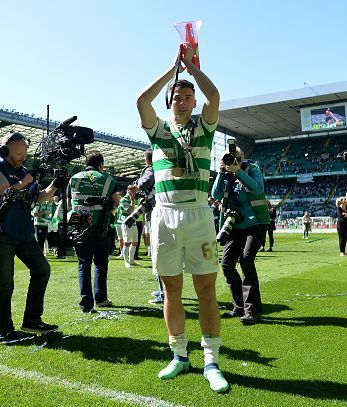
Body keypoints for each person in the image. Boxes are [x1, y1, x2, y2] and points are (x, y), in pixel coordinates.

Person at [136, 44, 228, 392]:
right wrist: (171, 69)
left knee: (206, 289)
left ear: (193, 102)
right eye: (178, 95)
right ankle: (178, 354)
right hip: (165, 216)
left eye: (189, 96)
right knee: (171, 289)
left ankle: (211, 360)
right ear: (170, 101)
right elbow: (141, 102)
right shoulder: (158, 131)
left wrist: (192, 69)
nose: (184, 100)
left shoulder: (204, 129)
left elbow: (214, 95)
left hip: (199, 215)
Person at [0, 132, 62, 339]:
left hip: (24, 232)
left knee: (42, 269)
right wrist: (27, 180)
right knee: (5, 280)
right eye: (17, 153)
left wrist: (55, 184)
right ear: (5, 150)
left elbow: (40, 198)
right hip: (1, 232)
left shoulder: (25, 171)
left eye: (24, 153)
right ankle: (6, 327)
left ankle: (32, 320)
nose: (21, 157)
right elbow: (6, 192)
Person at [211, 146, 269, 325]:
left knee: (246, 260)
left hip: (256, 223)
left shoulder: (252, 170)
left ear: (242, 157)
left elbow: (258, 190)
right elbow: (215, 194)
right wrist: (222, 173)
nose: (231, 160)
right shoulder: (225, 174)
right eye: (228, 158)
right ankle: (239, 306)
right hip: (235, 224)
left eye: (235, 157)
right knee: (227, 264)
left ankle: (253, 310)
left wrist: (238, 172)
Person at [69, 151, 119, 312]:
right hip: (100, 226)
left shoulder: (74, 178)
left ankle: (86, 304)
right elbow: (115, 204)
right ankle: (101, 298)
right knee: (100, 264)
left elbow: (72, 201)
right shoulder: (108, 179)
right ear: (101, 164)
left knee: (83, 264)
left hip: (79, 226)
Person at [134, 148, 163, 304]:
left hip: (156, 215)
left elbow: (145, 181)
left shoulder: (151, 168)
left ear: (146, 159)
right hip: (162, 213)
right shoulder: (162, 168)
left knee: (158, 255)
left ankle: (163, 292)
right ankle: (163, 289)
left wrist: (136, 185)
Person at [119, 184, 139, 268]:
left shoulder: (134, 199)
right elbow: (130, 210)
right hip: (126, 223)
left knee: (135, 241)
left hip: (133, 222)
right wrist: (132, 200)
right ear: (128, 190)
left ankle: (131, 260)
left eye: (136, 191)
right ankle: (126, 262)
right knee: (127, 242)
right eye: (133, 191)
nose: (135, 192)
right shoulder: (123, 200)